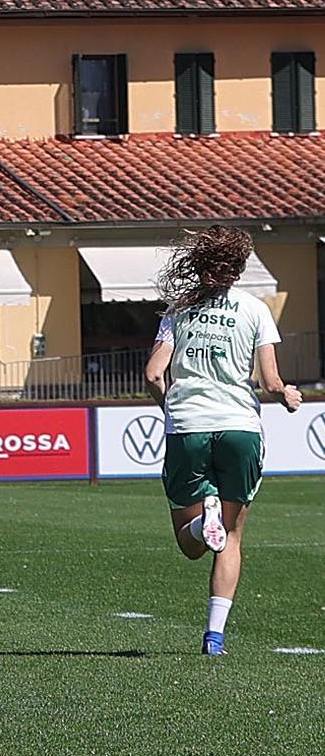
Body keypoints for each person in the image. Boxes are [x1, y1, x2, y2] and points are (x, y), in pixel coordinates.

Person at [143, 226, 303, 656]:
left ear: (198, 265)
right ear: (238, 268)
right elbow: (271, 382)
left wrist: (170, 408)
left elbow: (154, 373)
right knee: (231, 537)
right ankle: (214, 637)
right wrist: (287, 395)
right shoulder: (255, 309)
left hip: (190, 427)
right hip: (241, 428)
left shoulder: (179, 309)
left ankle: (201, 522)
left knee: (189, 543)